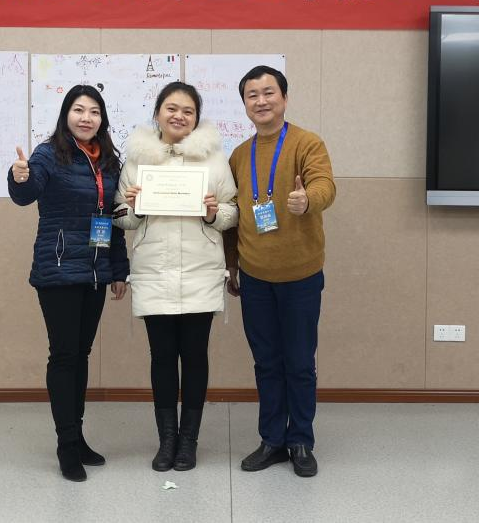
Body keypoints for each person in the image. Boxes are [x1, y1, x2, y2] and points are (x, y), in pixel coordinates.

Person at [7, 84, 129, 483]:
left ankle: (77, 438)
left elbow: (114, 218)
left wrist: (118, 269)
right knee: (63, 356)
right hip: (58, 269)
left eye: (94, 111)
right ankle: (66, 445)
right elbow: (26, 193)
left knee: (81, 354)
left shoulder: (108, 160)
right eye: (78, 110)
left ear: (102, 119)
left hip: (95, 270)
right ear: (66, 115)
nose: (86, 118)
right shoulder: (48, 154)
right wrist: (18, 178)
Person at [115, 82, 238, 472]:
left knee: (196, 357)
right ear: (157, 113)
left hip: (200, 270)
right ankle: (166, 440)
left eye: (188, 110)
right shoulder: (137, 159)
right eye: (171, 108)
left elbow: (232, 213)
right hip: (154, 270)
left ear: (196, 118)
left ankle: (189, 441)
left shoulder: (214, 159)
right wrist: (134, 207)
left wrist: (213, 213)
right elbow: (121, 217)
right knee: (162, 358)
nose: (179, 116)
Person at [225, 65, 335, 478]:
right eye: (252, 95)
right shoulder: (239, 155)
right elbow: (234, 217)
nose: (261, 101)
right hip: (255, 276)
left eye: (268, 92)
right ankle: (272, 439)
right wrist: (232, 265)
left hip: (301, 275)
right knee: (267, 362)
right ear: (245, 105)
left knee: (300, 363)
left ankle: (301, 440)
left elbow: (325, 185)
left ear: (284, 98)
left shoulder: (307, 143)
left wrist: (308, 201)